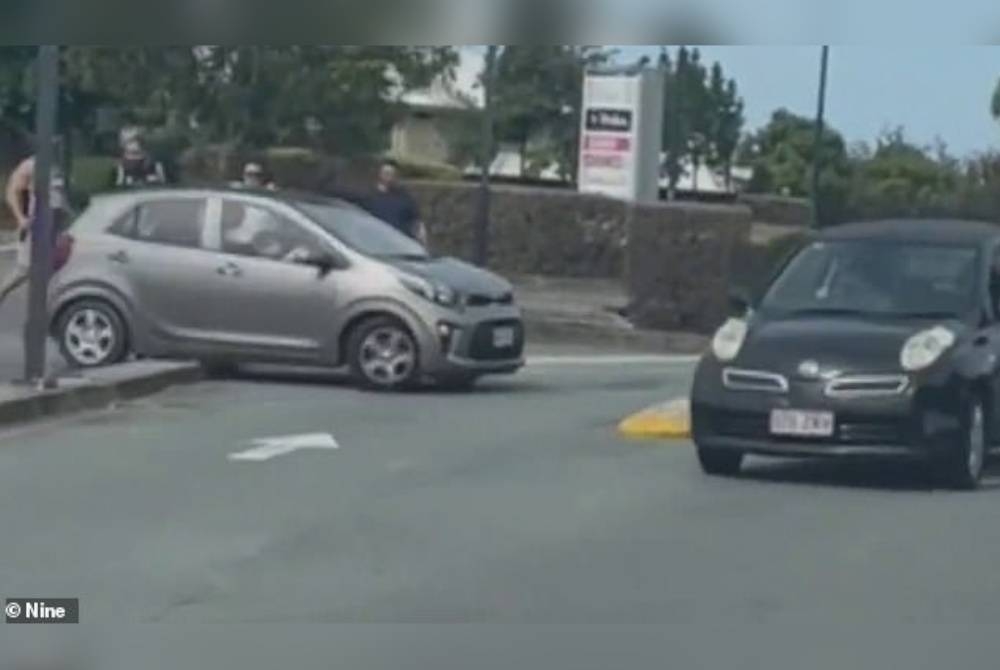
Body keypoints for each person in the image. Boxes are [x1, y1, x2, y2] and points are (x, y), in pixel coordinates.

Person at [1, 153, 69, 304]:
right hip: (37, 225)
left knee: (53, 267)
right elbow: (12, 191)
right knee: (24, 269)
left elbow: (60, 197)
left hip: (55, 225)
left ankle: (50, 305)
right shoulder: (30, 165)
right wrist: (20, 218)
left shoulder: (56, 165)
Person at [361, 159, 428, 245]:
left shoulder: (403, 197)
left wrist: (421, 235)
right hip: (375, 244)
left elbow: (416, 219)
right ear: (379, 173)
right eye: (386, 173)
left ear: (395, 176)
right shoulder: (369, 196)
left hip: (399, 244)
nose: (388, 176)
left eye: (391, 174)